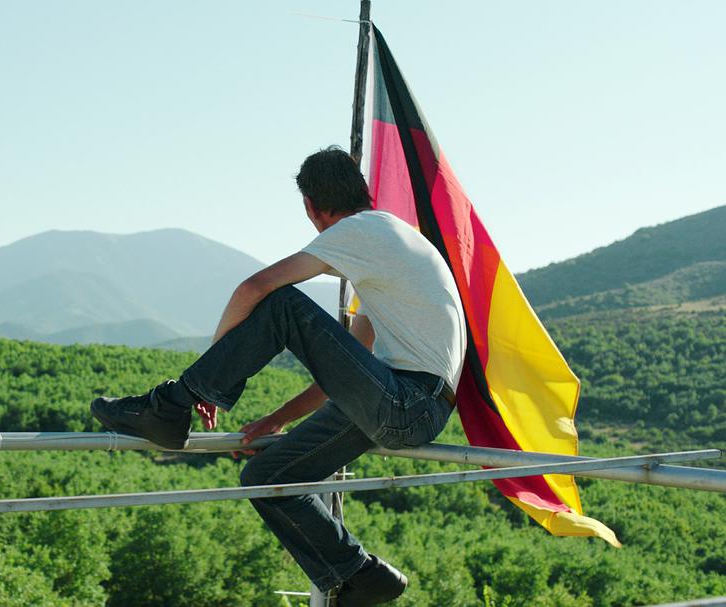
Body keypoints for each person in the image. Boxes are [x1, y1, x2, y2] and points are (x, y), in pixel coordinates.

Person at [91, 145, 466, 606]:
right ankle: (363, 575)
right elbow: (347, 369)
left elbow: (254, 287)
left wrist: (204, 380)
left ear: (310, 206)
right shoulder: (390, 246)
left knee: (284, 303)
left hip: (406, 401)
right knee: (267, 475)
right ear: (361, 190)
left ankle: (167, 407)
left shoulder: (359, 231)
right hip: (412, 406)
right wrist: (275, 419)